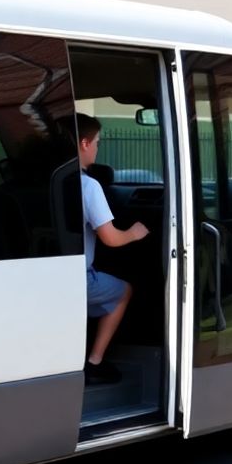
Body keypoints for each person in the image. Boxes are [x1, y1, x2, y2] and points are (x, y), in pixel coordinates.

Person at [77, 113, 149, 384]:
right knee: (123, 291)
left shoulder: (51, 180)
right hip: (77, 279)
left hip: (47, 276)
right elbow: (111, 239)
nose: (97, 147)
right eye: (97, 142)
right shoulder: (88, 186)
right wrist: (134, 233)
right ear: (85, 143)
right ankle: (95, 361)